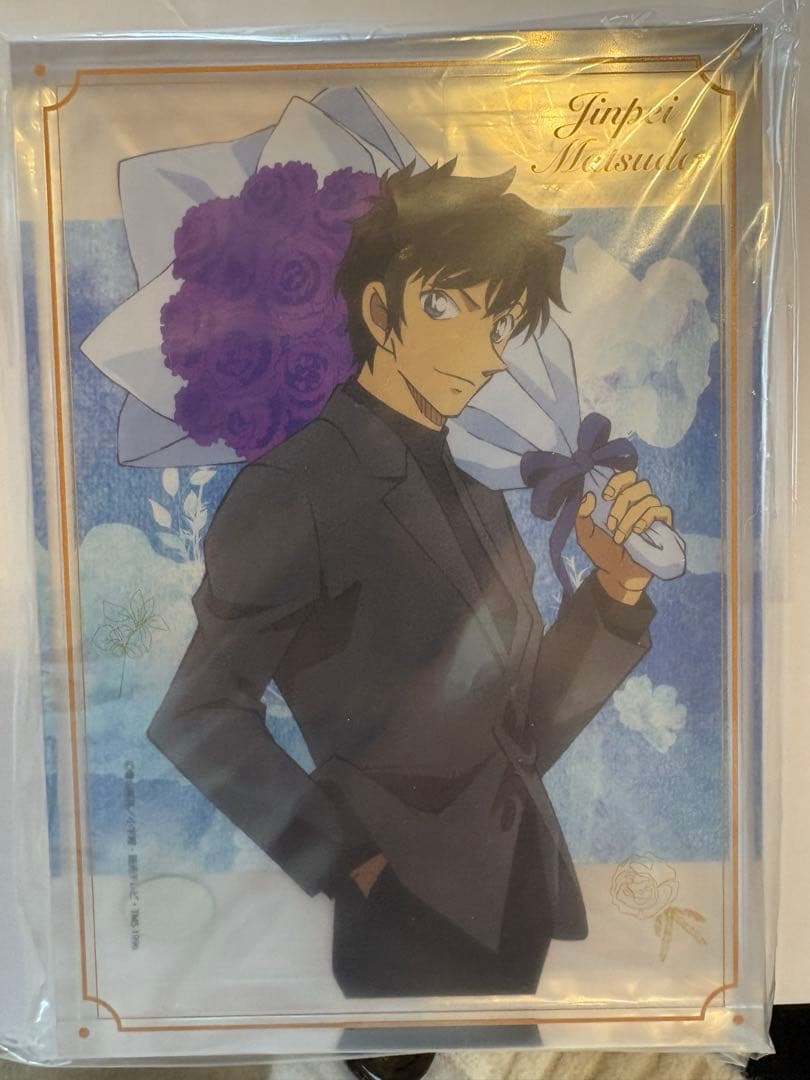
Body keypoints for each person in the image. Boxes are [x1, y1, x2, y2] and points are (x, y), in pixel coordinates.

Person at [147, 160, 673, 998]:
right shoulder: (298, 484)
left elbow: (521, 734)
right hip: (402, 915)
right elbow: (198, 717)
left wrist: (614, 592)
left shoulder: (476, 493)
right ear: (378, 310)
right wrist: (350, 864)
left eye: (501, 324)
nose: (486, 353)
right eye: (447, 307)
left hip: (516, 904)